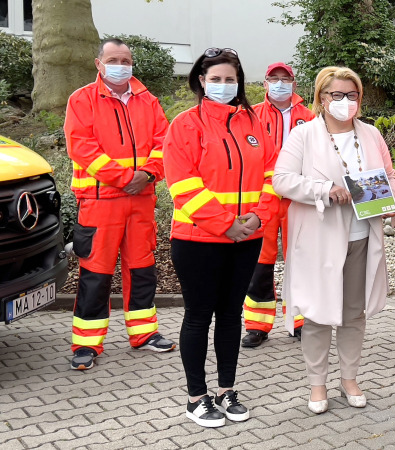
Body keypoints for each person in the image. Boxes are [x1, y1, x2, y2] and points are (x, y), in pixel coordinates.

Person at [163, 48, 278, 428]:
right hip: (198, 239)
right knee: (198, 317)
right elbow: (183, 184)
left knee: (231, 315)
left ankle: (227, 390)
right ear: (201, 80)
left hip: (246, 237)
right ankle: (197, 397)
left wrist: (258, 216)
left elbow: (272, 174)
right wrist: (225, 223)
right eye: (216, 79)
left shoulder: (253, 123)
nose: (224, 86)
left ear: (239, 82)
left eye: (230, 79)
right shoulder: (185, 124)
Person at [272, 66, 395, 414]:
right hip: (318, 239)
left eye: (352, 95)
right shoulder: (304, 135)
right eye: (336, 95)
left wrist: (389, 200)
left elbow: (389, 175)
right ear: (322, 99)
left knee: (353, 313)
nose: (345, 102)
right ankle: (317, 383)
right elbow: (282, 180)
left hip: (361, 236)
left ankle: (349, 378)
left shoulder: (371, 134)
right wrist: (324, 190)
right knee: (317, 314)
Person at [64, 38, 175, 371]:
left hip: (140, 199)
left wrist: (147, 174)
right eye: (114, 59)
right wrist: (125, 178)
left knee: (142, 269)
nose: (121, 65)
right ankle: (86, 344)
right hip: (101, 202)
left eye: (126, 60)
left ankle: (144, 333)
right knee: (95, 274)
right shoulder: (82, 100)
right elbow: (81, 148)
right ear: (99, 63)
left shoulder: (147, 100)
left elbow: (163, 142)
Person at [241, 62, 315, 348]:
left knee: (300, 261)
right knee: (261, 261)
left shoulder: (309, 117)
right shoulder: (251, 116)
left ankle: (300, 322)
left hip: (298, 198)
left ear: (294, 85)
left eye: (286, 79)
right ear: (265, 84)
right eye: (274, 78)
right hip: (265, 198)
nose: (280, 84)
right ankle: (257, 325)